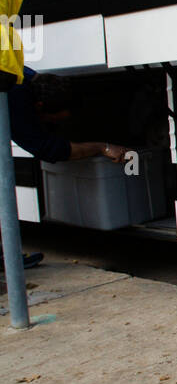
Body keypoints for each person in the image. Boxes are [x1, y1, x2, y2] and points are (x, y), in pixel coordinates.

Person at [3, 68, 129, 273]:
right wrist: (102, 147)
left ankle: (4, 257)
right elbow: (48, 149)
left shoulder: (31, 80)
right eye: (53, 120)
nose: (54, 124)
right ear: (39, 106)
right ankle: (5, 260)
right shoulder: (16, 99)